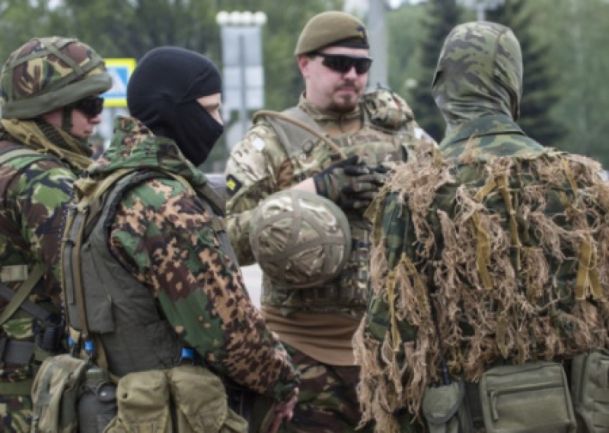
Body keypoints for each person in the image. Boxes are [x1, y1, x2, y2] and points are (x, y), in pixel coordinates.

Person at [355, 21, 609, 433]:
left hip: (469, 417)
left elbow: (395, 339)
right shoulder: (580, 182)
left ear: (442, 90)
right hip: (579, 414)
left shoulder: (416, 192)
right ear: (512, 86)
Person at [57, 46, 299, 433]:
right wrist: (282, 382)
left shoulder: (100, 182)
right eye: (211, 109)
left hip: (114, 407)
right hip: (162, 412)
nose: (219, 122)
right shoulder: (162, 202)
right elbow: (227, 329)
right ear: (174, 110)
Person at [224, 10, 432, 433]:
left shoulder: (403, 137)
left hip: (391, 355)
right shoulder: (270, 142)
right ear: (305, 64)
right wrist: (313, 191)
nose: (351, 75)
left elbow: (447, 210)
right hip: (303, 357)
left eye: (361, 66)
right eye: (338, 64)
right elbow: (229, 242)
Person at [0, 36, 111, 432]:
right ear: (47, 107)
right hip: (24, 398)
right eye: (89, 105)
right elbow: (89, 292)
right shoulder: (41, 180)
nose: (97, 118)